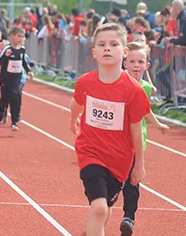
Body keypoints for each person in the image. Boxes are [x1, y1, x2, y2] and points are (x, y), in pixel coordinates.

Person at [69, 23, 151, 236]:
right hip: (90, 152)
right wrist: (73, 119)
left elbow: (135, 130)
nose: (107, 48)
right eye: (102, 44)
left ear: (124, 52)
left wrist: (139, 166)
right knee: (98, 209)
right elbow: (76, 103)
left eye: (113, 44)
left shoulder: (134, 91)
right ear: (94, 52)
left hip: (120, 161)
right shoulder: (86, 82)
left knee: (105, 211)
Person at [120, 41, 169, 235]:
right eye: (132, 61)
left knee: (133, 181)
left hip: (136, 140)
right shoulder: (117, 82)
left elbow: (145, 109)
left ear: (147, 65)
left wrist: (156, 124)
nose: (136, 65)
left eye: (140, 61)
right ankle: (101, 210)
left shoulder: (146, 88)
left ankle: (128, 217)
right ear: (124, 63)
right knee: (115, 180)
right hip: (115, 140)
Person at [0, 26, 34, 131]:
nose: (21, 39)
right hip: (5, 79)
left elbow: (24, 62)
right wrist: (5, 57)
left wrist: (29, 71)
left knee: (16, 98)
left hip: (16, 79)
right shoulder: (7, 49)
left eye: (22, 36)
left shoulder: (22, 49)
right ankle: (2, 110)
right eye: (19, 36)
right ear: (12, 36)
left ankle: (14, 122)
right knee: (4, 99)